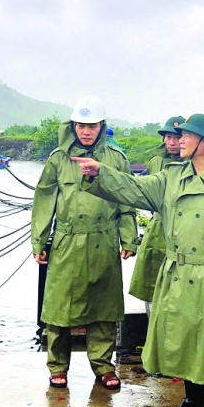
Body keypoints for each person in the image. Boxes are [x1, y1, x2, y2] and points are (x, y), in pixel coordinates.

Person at [73, 113, 204, 407]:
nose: (179, 140)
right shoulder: (171, 177)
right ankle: (195, 400)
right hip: (177, 271)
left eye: (187, 135)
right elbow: (133, 188)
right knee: (184, 339)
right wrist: (100, 172)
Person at [31, 96, 138, 391]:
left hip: (103, 240)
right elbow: (43, 201)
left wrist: (129, 237)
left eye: (91, 125)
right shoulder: (58, 158)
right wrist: (39, 241)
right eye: (81, 125)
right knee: (57, 307)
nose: (86, 131)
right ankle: (58, 366)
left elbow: (127, 198)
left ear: (101, 126)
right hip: (66, 240)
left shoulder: (116, 159)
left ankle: (103, 367)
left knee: (104, 306)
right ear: (74, 125)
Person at [128, 116, 185, 303]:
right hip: (158, 229)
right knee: (152, 285)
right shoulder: (156, 162)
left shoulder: (195, 163)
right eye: (168, 137)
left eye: (176, 137)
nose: (171, 142)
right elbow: (139, 186)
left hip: (182, 231)